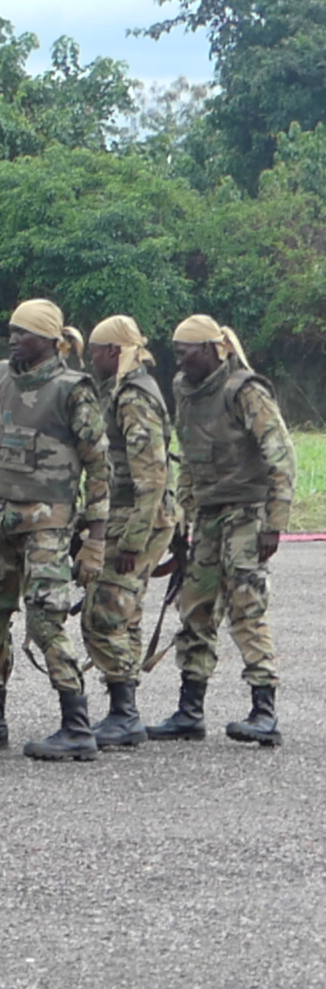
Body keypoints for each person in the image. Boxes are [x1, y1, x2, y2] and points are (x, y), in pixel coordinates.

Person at [0, 299, 109, 762]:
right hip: (6, 519)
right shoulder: (3, 377)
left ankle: (76, 724)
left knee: (46, 620)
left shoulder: (73, 389)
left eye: (23, 333)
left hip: (50, 522)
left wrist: (96, 539)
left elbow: (99, 466)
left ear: (50, 341)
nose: (13, 340)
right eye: (11, 330)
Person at [148, 316, 296, 747]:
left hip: (248, 512)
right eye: (176, 352)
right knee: (194, 607)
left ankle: (263, 710)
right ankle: (189, 710)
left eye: (187, 351)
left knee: (247, 606)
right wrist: (183, 518)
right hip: (209, 515)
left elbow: (280, 457)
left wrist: (275, 523)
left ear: (214, 350)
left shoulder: (245, 390)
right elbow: (190, 458)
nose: (180, 360)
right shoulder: (185, 390)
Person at [79, 317, 175, 748]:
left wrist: (134, 542)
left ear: (114, 352)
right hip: (129, 515)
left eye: (97, 350)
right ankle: (124, 708)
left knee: (103, 615)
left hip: (137, 519)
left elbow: (152, 475)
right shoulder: (120, 391)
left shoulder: (133, 397)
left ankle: (124, 713)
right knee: (126, 614)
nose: (91, 358)